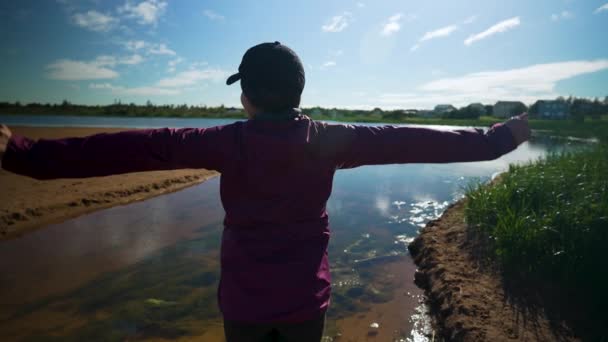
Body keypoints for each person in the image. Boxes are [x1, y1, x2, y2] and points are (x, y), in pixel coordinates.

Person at [0, 42, 530, 342]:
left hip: (245, 305)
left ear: (247, 95)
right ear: (299, 92)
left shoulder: (224, 142)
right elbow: (416, 142)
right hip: (306, 302)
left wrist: (21, 152)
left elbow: (136, 148)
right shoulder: (332, 139)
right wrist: (499, 139)